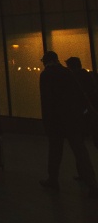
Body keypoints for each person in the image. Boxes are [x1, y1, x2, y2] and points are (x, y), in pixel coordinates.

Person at [39, 51, 98, 197]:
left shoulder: (46, 75)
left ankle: (53, 180)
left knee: (55, 151)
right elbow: (79, 94)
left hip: (56, 121)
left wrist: (47, 123)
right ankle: (92, 183)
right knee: (80, 151)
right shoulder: (67, 73)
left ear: (46, 62)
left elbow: (46, 102)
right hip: (73, 119)